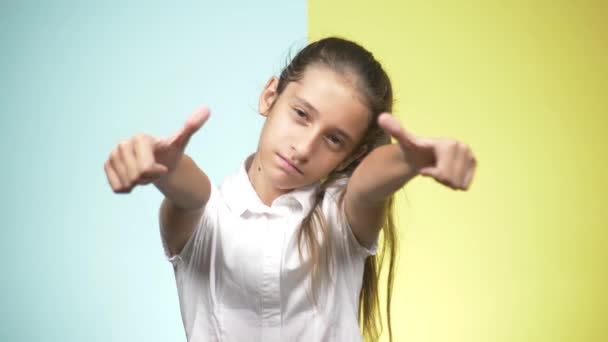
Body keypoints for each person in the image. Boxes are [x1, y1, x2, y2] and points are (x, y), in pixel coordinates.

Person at [103, 37, 477, 342]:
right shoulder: (208, 217)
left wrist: (410, 162)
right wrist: (163, 168)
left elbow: (367, 186)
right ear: (271, 96)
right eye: (301, 115)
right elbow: (192, 192)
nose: (304, 147)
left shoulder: (340, 218)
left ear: (352, 155)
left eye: (333, 139)